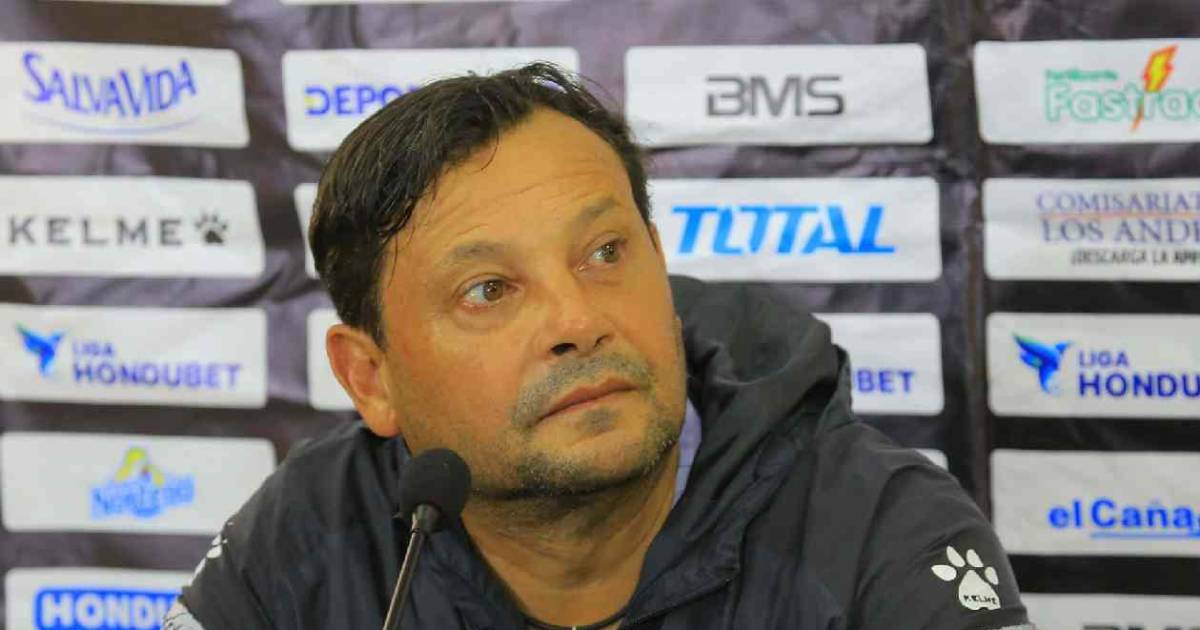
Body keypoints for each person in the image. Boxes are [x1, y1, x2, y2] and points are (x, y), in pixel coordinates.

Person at [165, 63, 1032, 630]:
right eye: (489, 290)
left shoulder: (875, 530)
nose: (577, 319)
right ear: (371, 378)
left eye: (605, 254)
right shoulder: (312, 532)